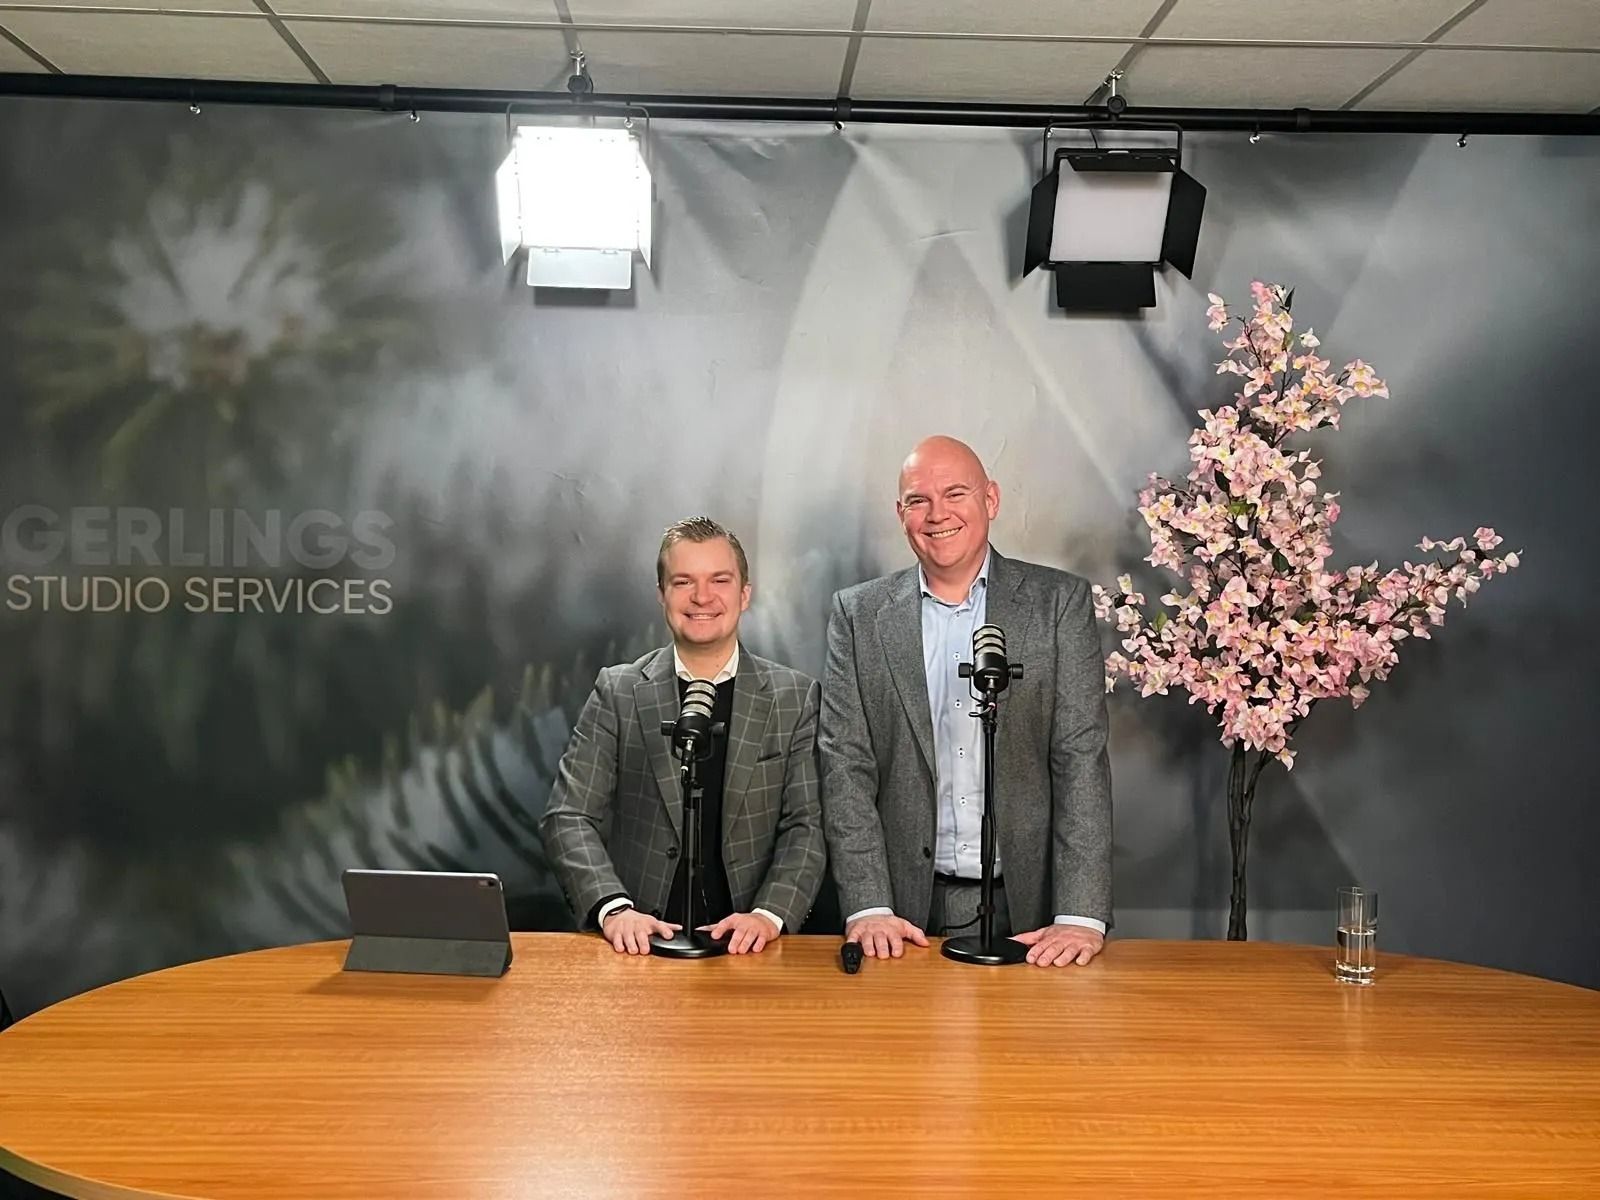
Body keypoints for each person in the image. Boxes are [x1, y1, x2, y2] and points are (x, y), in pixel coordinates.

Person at [819, 436, 1113, 967]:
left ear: (992, 500)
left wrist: (1080, 915)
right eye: (918, 500)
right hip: (901, 916)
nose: (938, 515)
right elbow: (845, 766)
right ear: (901, 513)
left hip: (1031, 915)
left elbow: (1079, 759)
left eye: (956, 493)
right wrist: (867, 905)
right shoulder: (858, 615)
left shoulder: (1058, 604)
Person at [541, 517, 826, 955]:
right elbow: (568, 815)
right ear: (662, 596)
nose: (702, 597)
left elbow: (806, 826)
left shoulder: (794, 697)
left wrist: (768, 916)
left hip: (750, 950)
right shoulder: (618, 691)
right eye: (683, 581)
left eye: (720, 580)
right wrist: (614, 909)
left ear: (744, 594)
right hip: (638, 948)